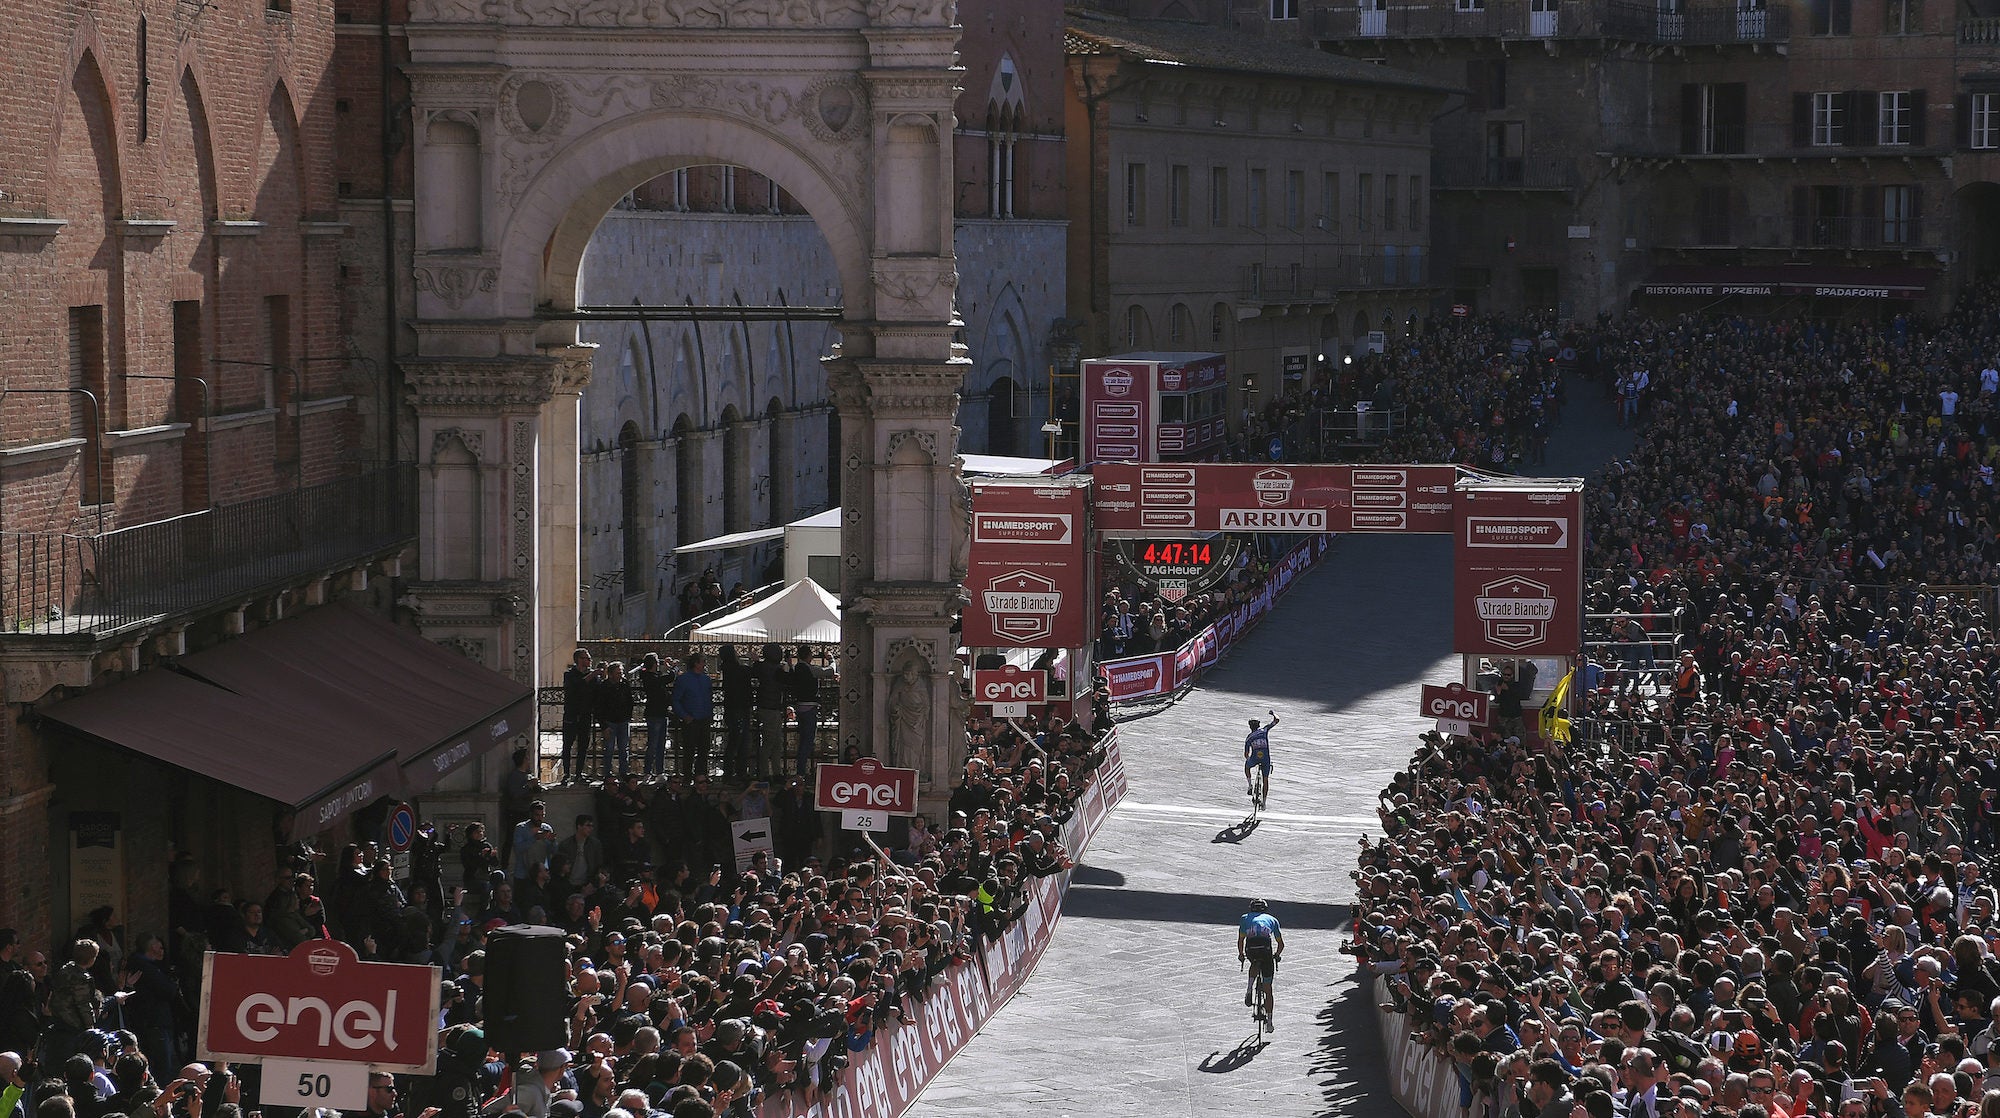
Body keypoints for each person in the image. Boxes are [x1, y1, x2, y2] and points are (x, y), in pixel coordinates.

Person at [1238, 898, 1283, 1027]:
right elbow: (1280, 944)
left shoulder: (1244, 918)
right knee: (1268, 990)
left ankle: (1249, 988)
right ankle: (1269, 1022)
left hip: (1251, 947)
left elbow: (1241, 940)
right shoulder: (1272, 920)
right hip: (1265, 947)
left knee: (1254, 962)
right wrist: (1277, 955)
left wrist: (1241, 954)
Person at [673, 653, 715, 780]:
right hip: (691, 719)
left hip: (703, 718)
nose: (705, 664)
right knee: (689, 749)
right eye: (703, 661)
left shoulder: (705, 679)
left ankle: (700, 774)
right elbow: (676, 700)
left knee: (704, 749)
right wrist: (684, 715)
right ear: (696, 663)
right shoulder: (684, 679)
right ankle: (687, 775)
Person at [561, 649, 596, 784]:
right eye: (586, 658)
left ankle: (579, 773)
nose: (588, 661)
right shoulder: (569, 675)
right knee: (567, 745)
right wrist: (590, 677)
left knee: (583, 746)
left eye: (589, 658)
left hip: (585, 715)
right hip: (571, 714)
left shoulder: (592, 676)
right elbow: (575, 687)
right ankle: (566, 773)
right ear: (579, 660)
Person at [1244, 710, 1279, 807]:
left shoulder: (1249, 738)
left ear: (1250, 726)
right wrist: (1273, 713)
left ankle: (1250, 785)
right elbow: (1277, 720)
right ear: (1259, 725)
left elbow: (1246, 754)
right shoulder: (1264, 730)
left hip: (1255, 758)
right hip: (1265, 759)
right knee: (1265, 779)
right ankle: (1264, 802)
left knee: (1247, 767)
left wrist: (1248, 759)